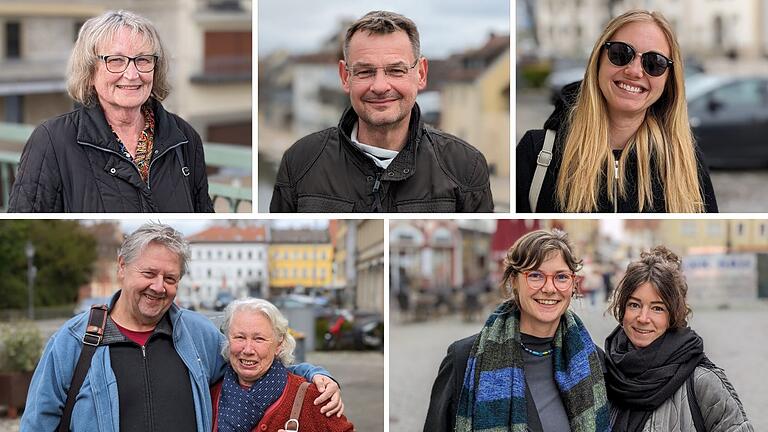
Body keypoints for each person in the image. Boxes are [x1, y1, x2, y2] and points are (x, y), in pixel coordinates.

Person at [21, 223, 343, 431]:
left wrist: (316, 374)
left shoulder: (198, 333)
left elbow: (252, 361)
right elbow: (38, 422)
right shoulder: (73, 340)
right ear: (122, 267)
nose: (159, 287)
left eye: (170, 278)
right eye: (149, 274)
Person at [270, 10, 493, 213]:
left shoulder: (466, 166)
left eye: (396, 70)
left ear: (421, 74)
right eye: (365, 71)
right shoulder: (299, 161)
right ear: (345, 76)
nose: (379, 86)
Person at [8, 10, 213, 212]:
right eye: (115, 60)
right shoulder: (51, 140)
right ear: (89, 73)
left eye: (143, 60)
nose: (132, 74)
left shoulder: (184, 137)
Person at [517, 10, 718, 213]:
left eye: (654, 63)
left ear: (668, 80)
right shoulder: (537, 153)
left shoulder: (687, 162)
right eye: (621, 54)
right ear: (598, 60)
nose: (635, 71)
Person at [424, 230, 610, 432]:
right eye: (536, 275)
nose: (549, 288)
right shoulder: (463, 358)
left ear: (573, 284)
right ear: (514, 281)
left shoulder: (593, 360)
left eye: (561, 277)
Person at [604, 246, 753, 431]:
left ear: (673, 315)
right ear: (622, 309)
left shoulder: (702, 382)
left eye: (657, 308)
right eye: (634, 305)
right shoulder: (604, 374)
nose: (643, 318)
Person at [211, 298, 354, 432]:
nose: (248, 349)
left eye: (259, 339)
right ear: (228, 341)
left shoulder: (313, 398)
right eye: (239, 337)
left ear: (279, 345)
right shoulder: (209, 395)